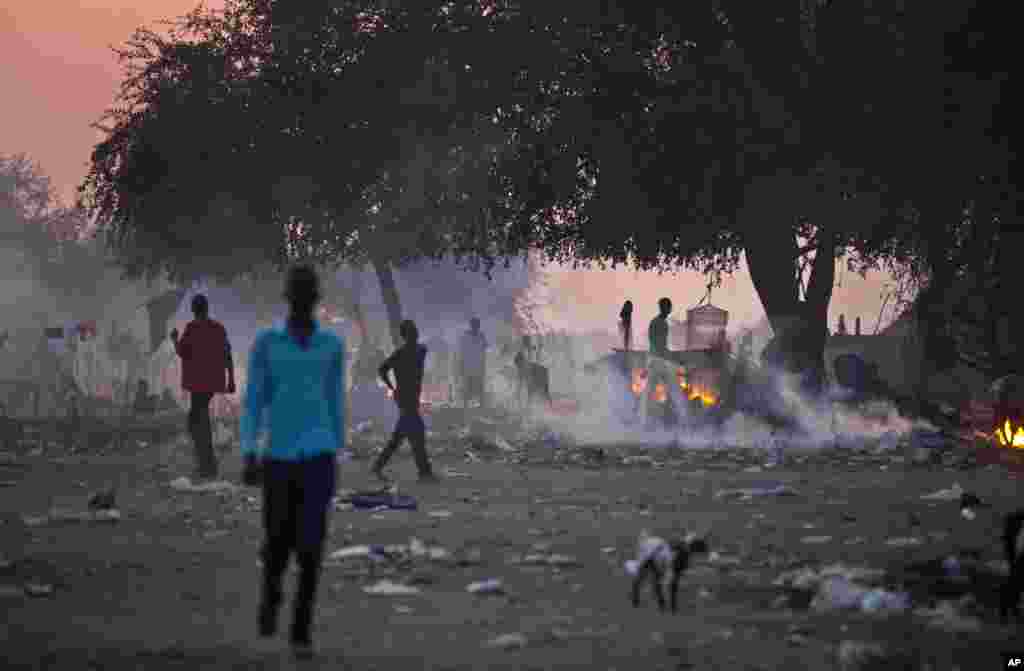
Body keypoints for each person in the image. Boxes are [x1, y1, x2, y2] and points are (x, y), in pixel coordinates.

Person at [240, 265, 346, 660]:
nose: (303, 301)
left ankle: (301, 629)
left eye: (307, 295)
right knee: (278, 540)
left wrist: (337, 451)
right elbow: (254, 401)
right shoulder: (267, 344)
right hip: (279, 457)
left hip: (318, 456)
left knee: (313, 546)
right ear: (290, 298)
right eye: (297, 294)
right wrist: (249, 449)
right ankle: (271, 593)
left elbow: (336, 404)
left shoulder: (331, 347)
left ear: (314, 300)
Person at [171, 294, 235, 480]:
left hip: (198, 382)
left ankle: (207, 465)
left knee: (197, 420)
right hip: (212, 381)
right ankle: (206, 463)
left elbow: (183, 352)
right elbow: (227, 354)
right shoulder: (218, 328)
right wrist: (231, 380)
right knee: (199, 418)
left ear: (193, 310)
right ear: (206, 308)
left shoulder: (192, 328)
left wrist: (175, 339)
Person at [372, 319, 437, 483]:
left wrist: (391, 386)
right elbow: (382, 369)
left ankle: (378, 466)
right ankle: (424, 472)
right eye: (412, 332)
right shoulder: (415, 351)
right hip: (406, 397)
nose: (415, 334)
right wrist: (392, 387)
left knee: (400, 435)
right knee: (417, 434)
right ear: (408, 335)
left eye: (414, 331)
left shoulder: (404, 353)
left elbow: (382, 369)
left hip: (406, 396)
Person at [458, 317, 488, 410]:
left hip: (477, 365)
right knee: (468, 385)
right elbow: (462, 351)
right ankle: (466, 404)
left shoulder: (481, 336)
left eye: (477, 325)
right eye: (474, 325)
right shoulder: (466, 336)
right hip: (469, 365)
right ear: (471, 325)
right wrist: (461, 364)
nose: (475, 327)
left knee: (479, 386)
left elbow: (485, 347)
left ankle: (480, 404)